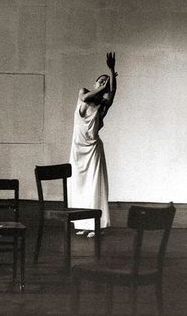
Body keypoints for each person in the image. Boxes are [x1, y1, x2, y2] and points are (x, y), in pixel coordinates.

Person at [68, 52, 117, 238]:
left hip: (93, 149)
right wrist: (103, 86)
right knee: (79, 185)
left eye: (106, 82)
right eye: (101, 81)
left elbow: (112, 96)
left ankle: (97, 225)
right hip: (78, 148)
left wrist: (112, 71)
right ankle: (83, 222)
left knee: (94, 185)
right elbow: (87, 97)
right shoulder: (83, 93)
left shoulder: (103, 106)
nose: (104, 83)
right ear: (95, 84)